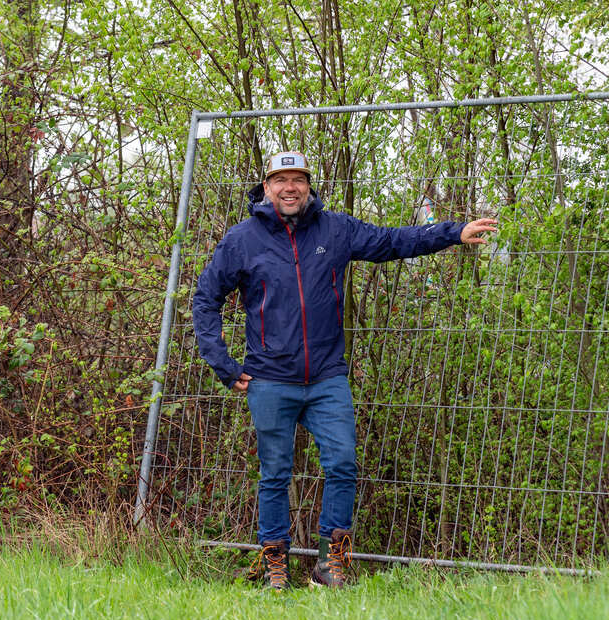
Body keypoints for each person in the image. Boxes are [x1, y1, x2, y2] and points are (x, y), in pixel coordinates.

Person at [192, 151, 498, 592]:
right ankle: (274, 564)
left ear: (309, 186)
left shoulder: (336, 230)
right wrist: (222, 363)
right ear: (266, 187)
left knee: (342, 464)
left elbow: (394, 241)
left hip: (327, 379)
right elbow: (206, 300)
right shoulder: (241, 240)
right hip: (269, 379)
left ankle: (330, 564)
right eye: (281, 180)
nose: (290, 188)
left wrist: (453, 233)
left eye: (298, 179)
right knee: (275, 474)